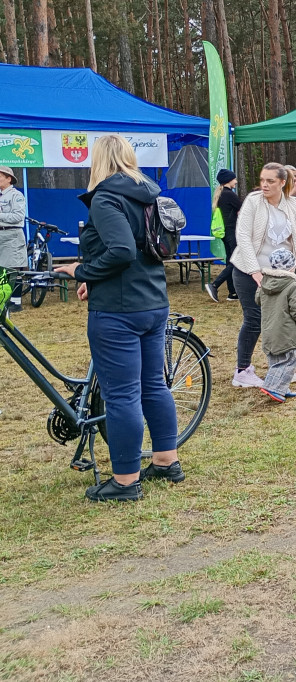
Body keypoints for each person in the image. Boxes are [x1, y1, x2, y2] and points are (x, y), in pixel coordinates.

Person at [53, 135, 181, 502]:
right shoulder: (147, 194)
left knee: (122, 395)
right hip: (153, 302)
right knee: (153, 386)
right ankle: (166, 461)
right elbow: (141, 252)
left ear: (98, 161)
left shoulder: (107, 197)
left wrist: (81, 270)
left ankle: (125, 481)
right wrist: (94, 280)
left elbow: (122, 251)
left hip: (119, 312)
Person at [230, 162, 296, 388]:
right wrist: (254, 270)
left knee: (282, 322)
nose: (264, 185)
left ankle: (281, 368)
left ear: (283, 182)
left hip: (282, 275)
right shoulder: (253, 202)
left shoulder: (294, 206)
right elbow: (243, 236)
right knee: (255, 319)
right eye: (262, 180)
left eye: (270, 181)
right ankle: (242, 371)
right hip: (248, 271)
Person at [255, 248, 296, 402]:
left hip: (269, 331)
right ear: (291, 267)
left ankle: (282, 387)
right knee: (288, 361)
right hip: (286, 333)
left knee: (275, 360)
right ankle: (273, 387)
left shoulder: (264, 282)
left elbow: (258, 300)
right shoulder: (292, 286)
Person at [205, 168, 242, 303]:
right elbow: (243, 209)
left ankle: (232, 293)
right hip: (232, 231)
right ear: (228, 180)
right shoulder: (229, 194)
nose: (236, 182)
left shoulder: (221, 194)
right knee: (236, 261)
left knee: (230, 260)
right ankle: (214, 285)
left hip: (225, 233)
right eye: (234, 179)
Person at [0, 165, 27, 313]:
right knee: (2, 269)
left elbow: (18, 217)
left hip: (12, 235)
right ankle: (4, 299)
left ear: (8, 179)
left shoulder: (17, 196)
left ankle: (16, 302)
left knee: (12, 268)